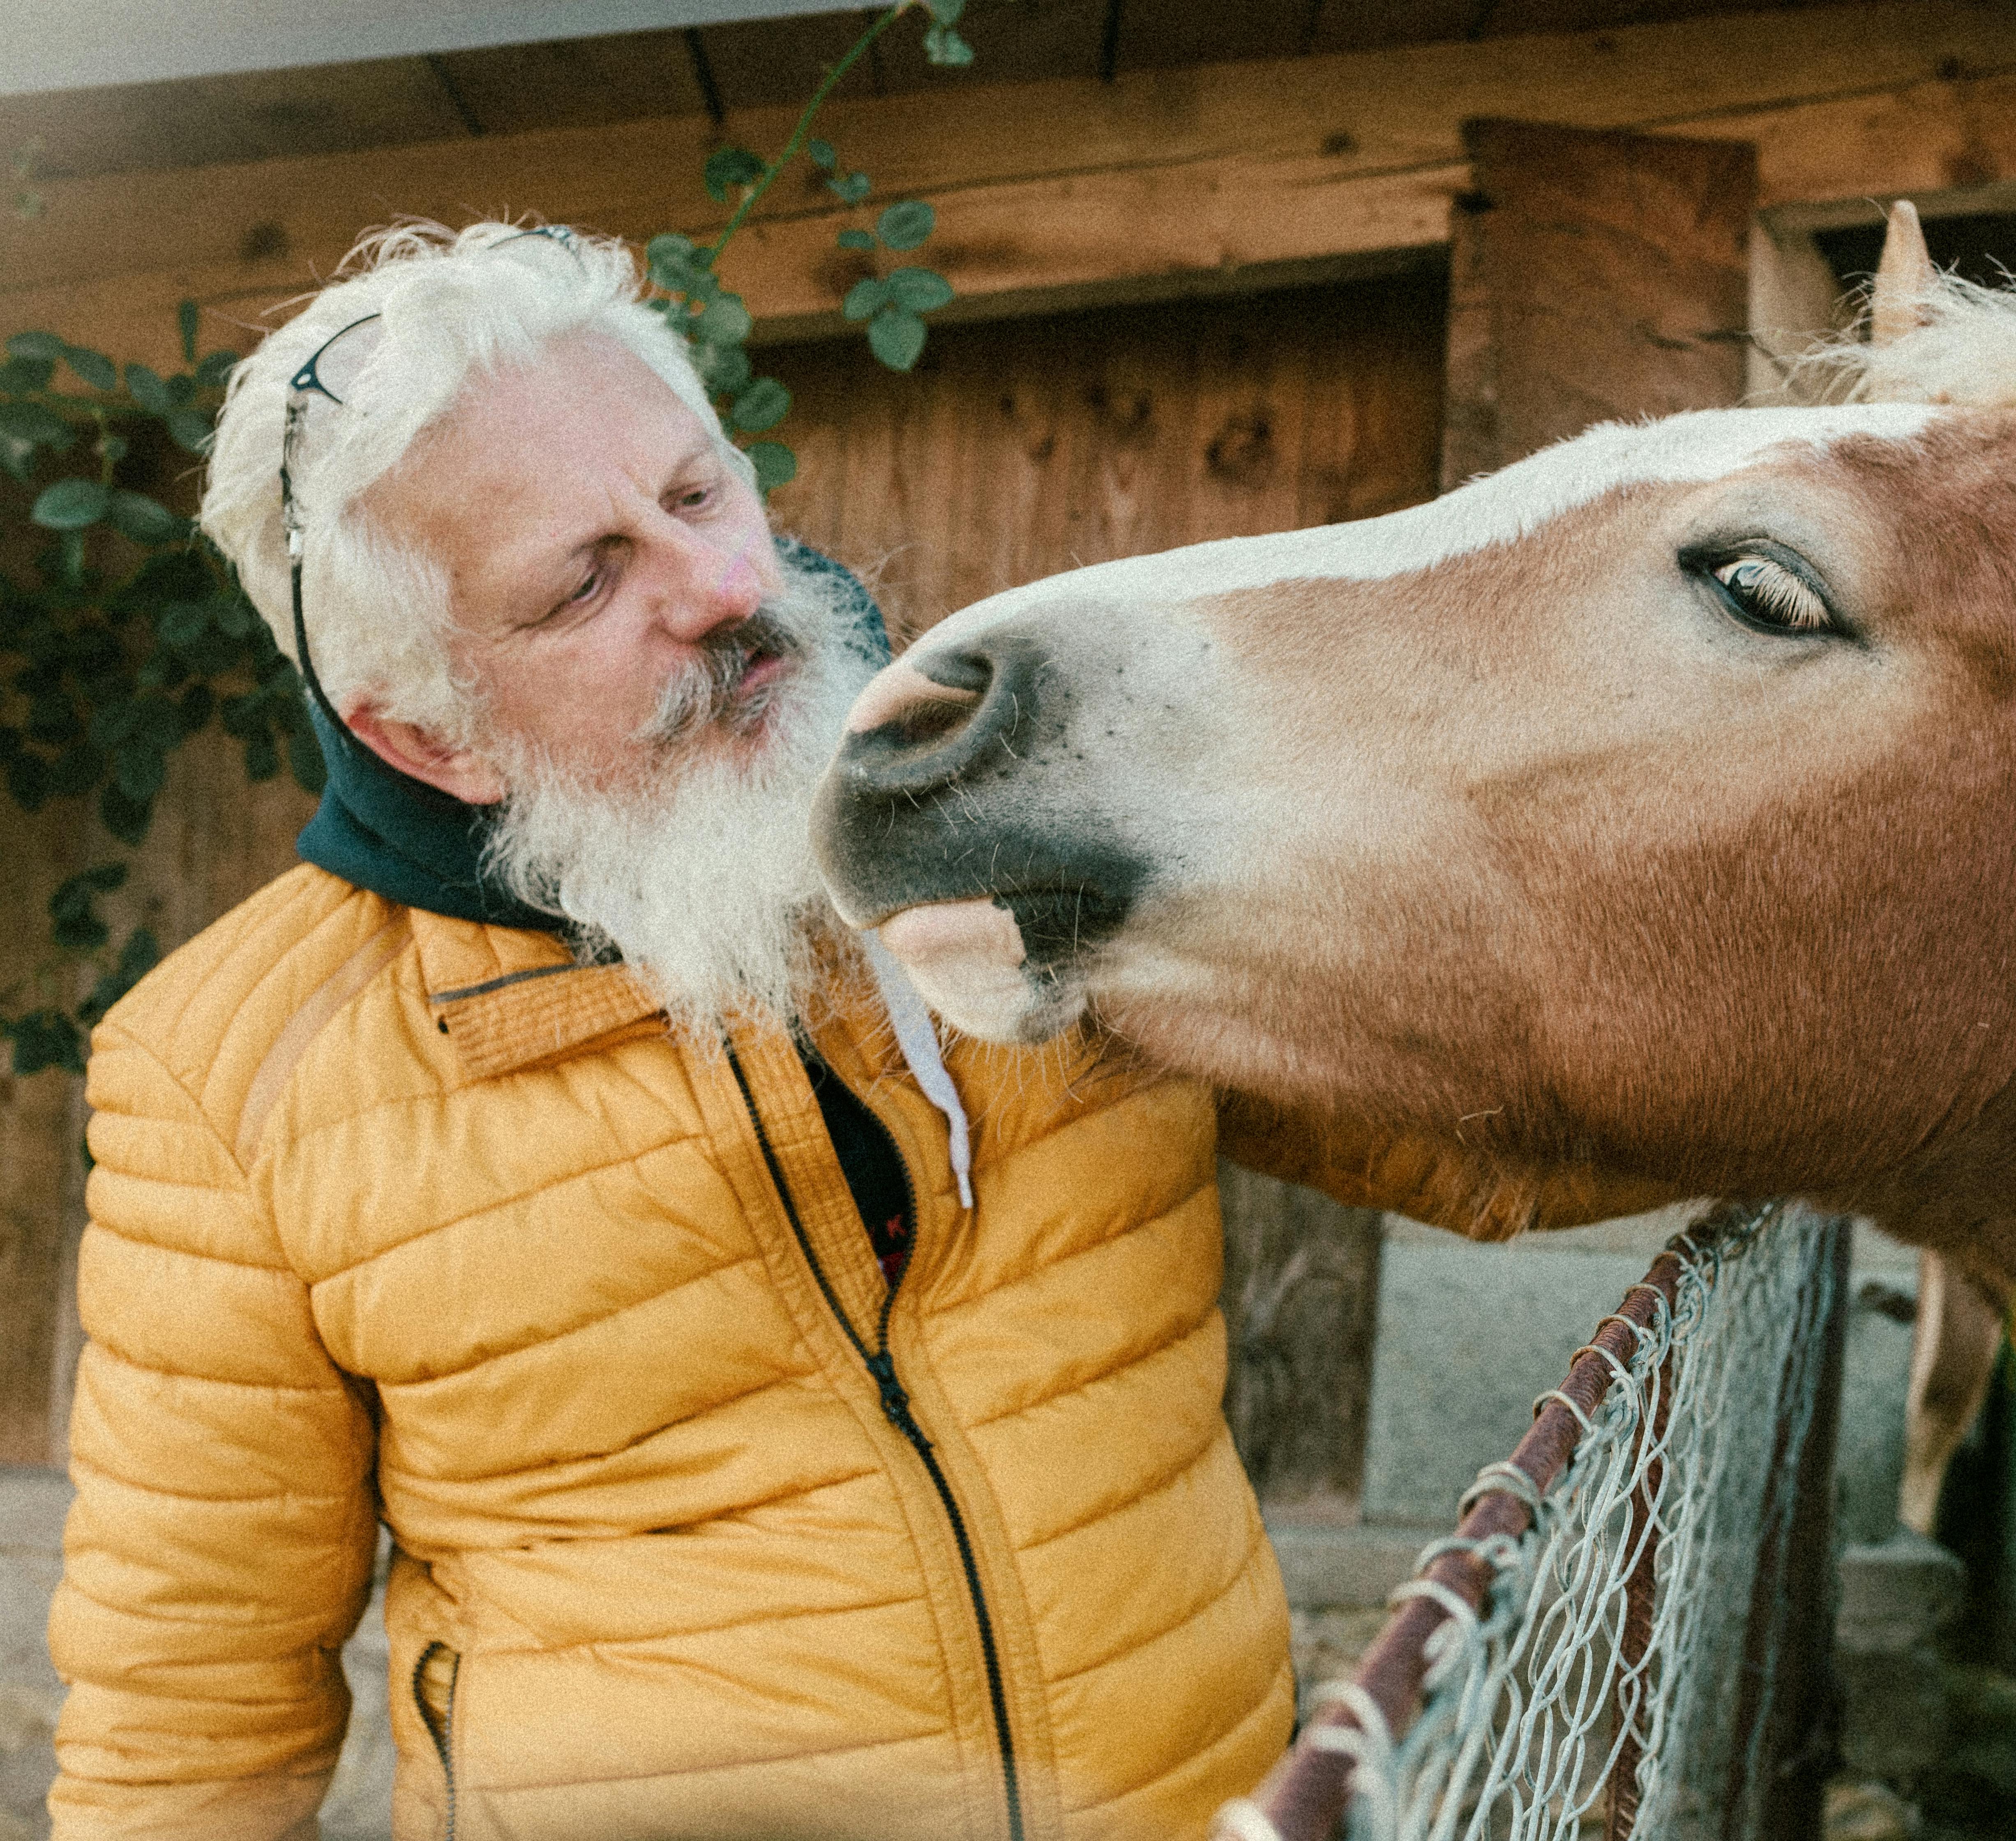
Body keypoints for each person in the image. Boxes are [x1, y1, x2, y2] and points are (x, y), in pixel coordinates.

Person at [46, 223, 1653, 1841]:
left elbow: (1489, 1127)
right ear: (426, 731)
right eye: (586, 579)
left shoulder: (1021, 814)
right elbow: (187, 1725)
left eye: (695, 493)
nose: (729, 587)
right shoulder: (230, 1075)